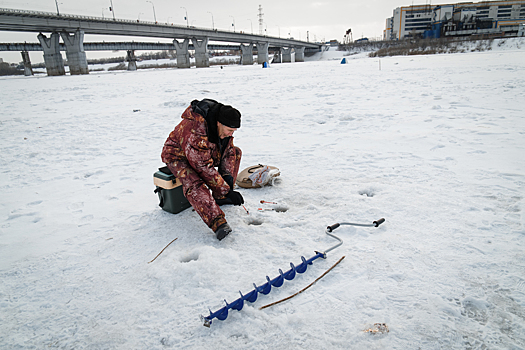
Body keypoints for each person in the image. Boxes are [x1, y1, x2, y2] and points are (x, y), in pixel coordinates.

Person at [161, 99, 244, 241]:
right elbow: (203, 168)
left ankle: (220, 198)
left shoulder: (218, 126)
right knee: (193, 182)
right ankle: (218, 224)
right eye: (229, 130)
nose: (231, 134)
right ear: (219, 123)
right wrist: (226, 189)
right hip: (178, 156)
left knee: (234, 152)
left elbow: (225, 149)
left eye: (233, 131)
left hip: (201, 153)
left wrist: (227, 181)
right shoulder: (196, 130)